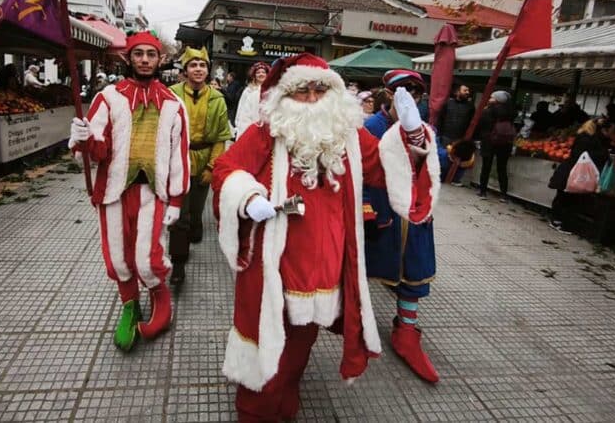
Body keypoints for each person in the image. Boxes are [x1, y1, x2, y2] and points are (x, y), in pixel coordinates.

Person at [212, 54, 440, 422]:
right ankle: (254, 410)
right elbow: (225, 169)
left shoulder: (348, 135)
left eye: (321, 88)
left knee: (301, 341)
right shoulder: (266, 132)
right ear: (286, 96)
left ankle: (285, 394)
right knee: (265, 334)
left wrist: (413, 135)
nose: (314, 97)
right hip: (275, 261)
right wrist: (248, 196)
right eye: (303, 90)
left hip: (327, 264)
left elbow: (387, 169)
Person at [68, 31, 190, 351]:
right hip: (114, 192)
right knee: (119, 259)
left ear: (160, 59)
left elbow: (179, 154)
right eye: (139, 54)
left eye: (151, 55)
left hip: (153, 194)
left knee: (148, 259)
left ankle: (161, 300)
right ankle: (130, 304)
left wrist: (177, 198)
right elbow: (96, 150)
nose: (145, 60)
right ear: (129, 58)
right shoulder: (108, 98)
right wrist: (84, 138)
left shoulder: (173, 104)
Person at [363, 68, 441, 384]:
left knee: (414, 271)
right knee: (364, 267)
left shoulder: (427, 129)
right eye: (401, 91)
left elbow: (436, 168)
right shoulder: (372, 126)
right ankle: (354, 321)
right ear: (389, 94)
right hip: (381, 214)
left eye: (416, 92)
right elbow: (360, 171)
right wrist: (365, 207)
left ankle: (406, 332)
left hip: (416, 217)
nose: (409, 97)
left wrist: (454, 157)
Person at [169, 47, 232, 285]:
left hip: (204, 159)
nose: (198, 69)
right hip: (177, 159)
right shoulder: (172, 94)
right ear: (185, 70)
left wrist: (212, 167)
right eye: (193, 65)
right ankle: (178, 262)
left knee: (196, 210)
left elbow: (220, 137)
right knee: (178, 213)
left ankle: (195, 227)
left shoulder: (218, 99)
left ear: (208, 71)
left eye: (202, 65)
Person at [549, 118, 611, 232]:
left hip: (571, 170)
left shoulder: (585, 136)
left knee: (565, 197)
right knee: (567, 198)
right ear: (601, 129)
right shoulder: (588, 139)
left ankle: (558, 220)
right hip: (574, 172)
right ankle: (559, 221)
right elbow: (583, 154)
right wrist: (605, 154)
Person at [477, 90, 516, 201]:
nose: (490, 99)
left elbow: (482, 125)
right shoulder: (511, 112)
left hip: (489, 141)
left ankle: (482, 191)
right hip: (505, 143)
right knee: (502, 168)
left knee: (486, 167)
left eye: (492, 97)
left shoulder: (488, 111)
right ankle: (503, 194)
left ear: (497, 100)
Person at [436, 82, 475, 185]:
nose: (467, 92)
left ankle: (454, 179)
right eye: (465, 90)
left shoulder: (470, 107)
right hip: (446, 135)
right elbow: (440, 119)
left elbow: (472, 122)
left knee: (458, 159)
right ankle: (441, 176)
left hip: (460, 137)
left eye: (468, 91)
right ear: (457, 92)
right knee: (444, 157)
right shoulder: (448, 104)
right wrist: (439, 133)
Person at [234, 62, 270, 138]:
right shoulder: (248, 90)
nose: (261, 74)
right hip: (251, 124)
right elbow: (241, 108)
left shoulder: (272, 90)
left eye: (263, 72)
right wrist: (238, 126)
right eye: (258, 72)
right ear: (254, 75)